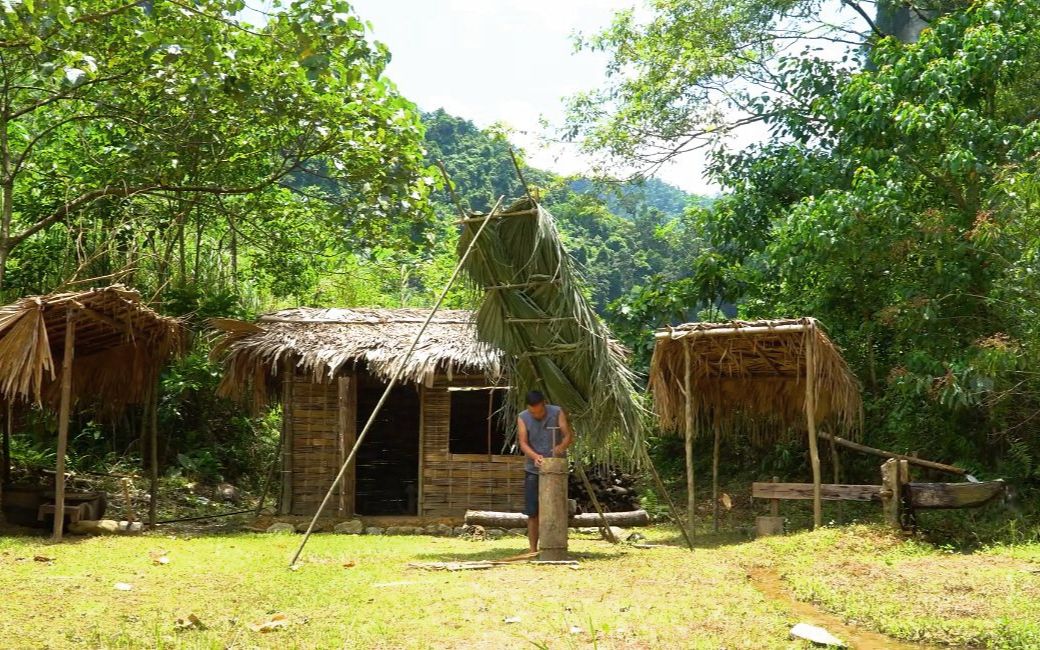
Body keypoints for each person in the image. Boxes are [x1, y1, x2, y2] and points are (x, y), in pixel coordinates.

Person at [517, 390, 574, 553]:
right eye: (532, 412)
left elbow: (568, 435)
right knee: (533, 511)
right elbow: (523, 443)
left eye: (540, 411)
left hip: (556, 470)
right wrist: (535, 456)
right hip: (533, 470)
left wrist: (561, 447)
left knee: (556, 509)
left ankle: (556, 546)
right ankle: (533, 549)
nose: (536, 415)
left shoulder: (557, 412)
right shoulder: (523, 417)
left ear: (544, 404)